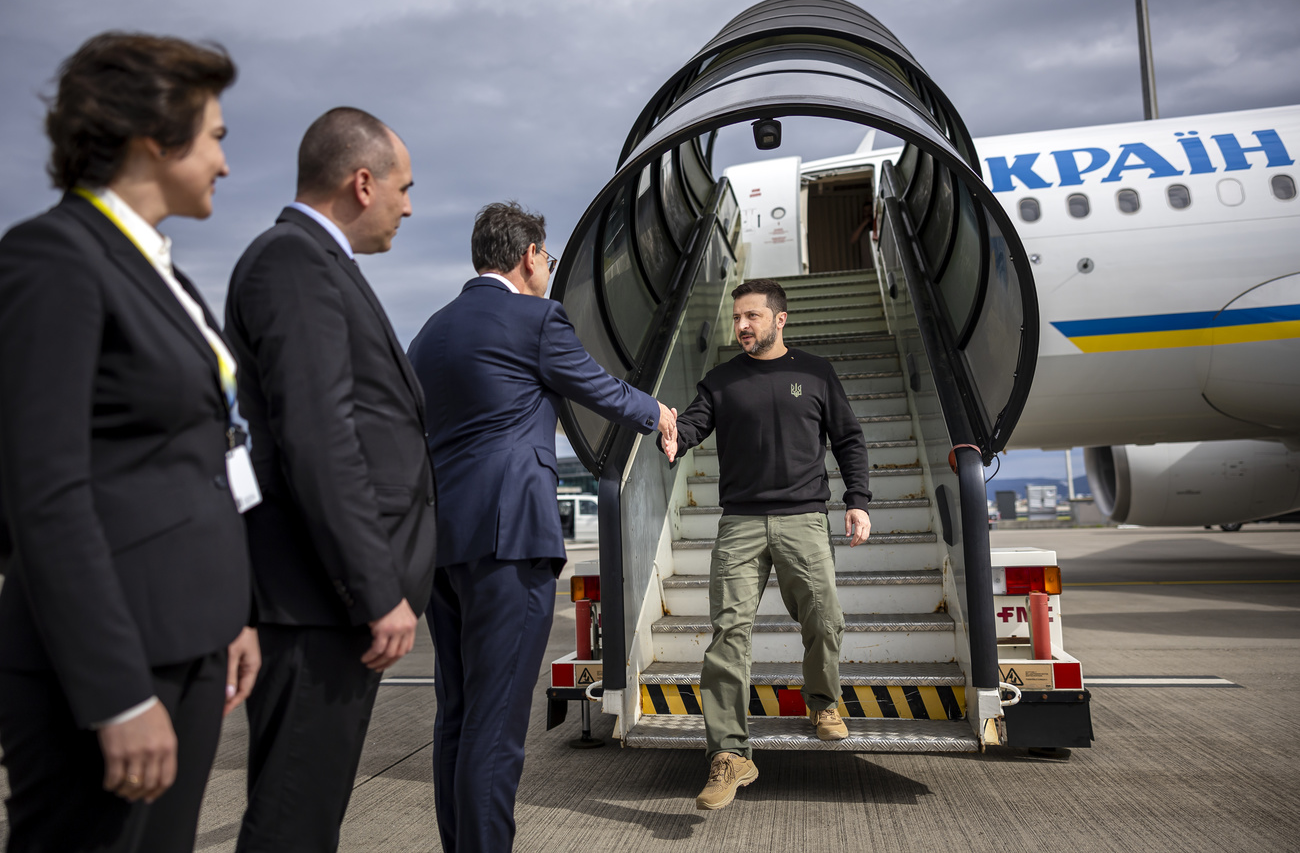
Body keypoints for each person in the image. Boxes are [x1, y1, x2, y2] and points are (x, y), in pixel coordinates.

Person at [0, 32, 260, 852]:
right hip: (112, 662)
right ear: (156, 136)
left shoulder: (162, 274)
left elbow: (191, 459)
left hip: (188, 644)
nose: (224, 162)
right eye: (215, 136)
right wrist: (115, 692)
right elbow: (45, 493)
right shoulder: (53, 258)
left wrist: (230, 617)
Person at [407, 202, 676, 853]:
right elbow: (599, 388)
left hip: (442, 546)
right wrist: (659, 412)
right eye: (548, 259)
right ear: (529, 255)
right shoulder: (535, 319)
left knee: (458, 714)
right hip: (510, 541)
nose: (548, 269)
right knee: (497, 723)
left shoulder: (428, 334)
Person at [223, 107, 437, 853]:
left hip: (327, 601)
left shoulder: (319, 263)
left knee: (307, 815)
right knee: (294, 820)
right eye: (404, 189)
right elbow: (318, 438)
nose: (408, 207)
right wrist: (375, 589)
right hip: (319, 602)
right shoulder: (293, 260)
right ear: (362, 182)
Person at [660, 278, 873, 811]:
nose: (742, 326)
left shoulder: (815, 372)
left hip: (805, 519)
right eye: (737, 318)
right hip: (741, 523)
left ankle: (823, 703)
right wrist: (674, 435)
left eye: (752, 316)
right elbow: (694, 425)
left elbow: (848, 438)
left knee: (824, 617)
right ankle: (729, 754)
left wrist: (858, 500)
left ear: (780, 319)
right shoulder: (721, 381)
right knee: (728, 633)